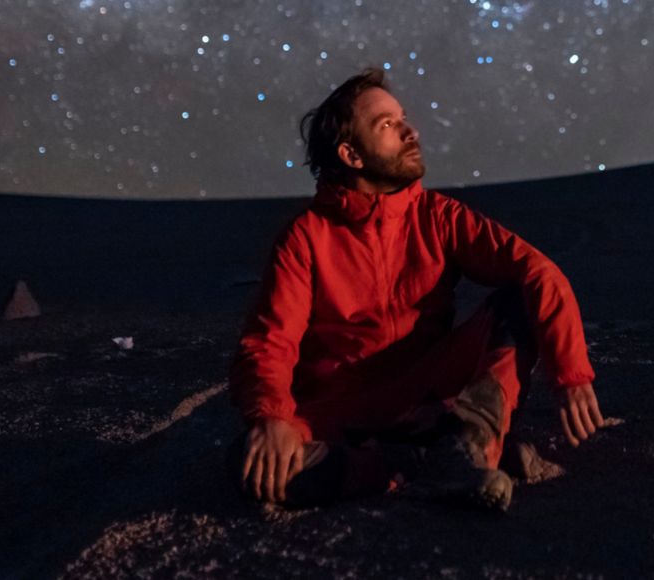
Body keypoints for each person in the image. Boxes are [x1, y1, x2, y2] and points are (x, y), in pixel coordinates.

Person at [227, 68, 604, 511]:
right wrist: (271, 418)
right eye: (387, 124)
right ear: (352, 154)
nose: (411, 130)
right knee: (254, 467)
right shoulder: (306, 237)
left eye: (402, 118)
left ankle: (465, 444)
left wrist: (571, 374)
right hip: (344, 411)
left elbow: (537, 271)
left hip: (430, 390)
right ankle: (428, 462)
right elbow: (270, 341)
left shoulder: (439, 217)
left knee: (517, 301)